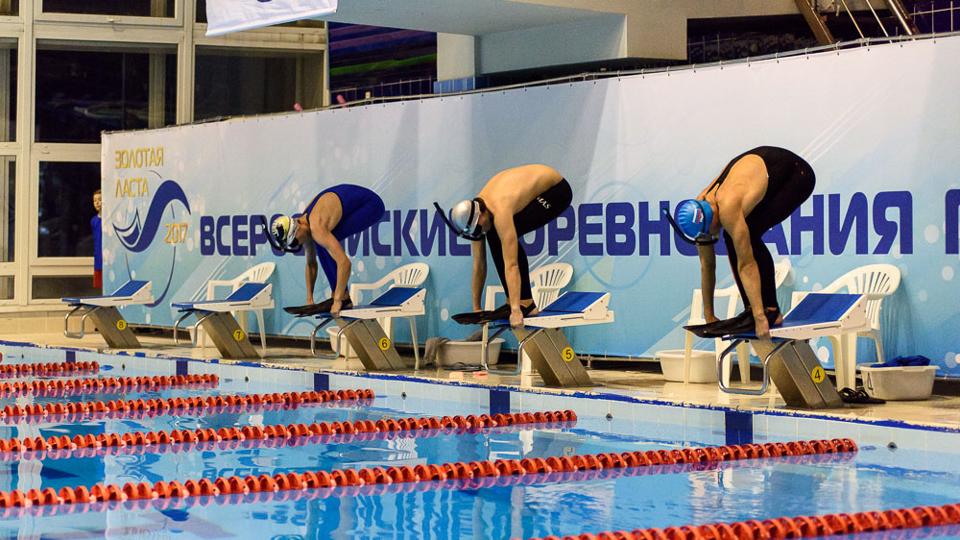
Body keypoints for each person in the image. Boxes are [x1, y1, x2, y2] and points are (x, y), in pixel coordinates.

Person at [669, 146, 815, 338]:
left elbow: (746, 265)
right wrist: (709, 315)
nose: (710, 236)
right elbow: (707, 265)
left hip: (796, 173)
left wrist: (759, 317)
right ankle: (756, 310)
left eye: (709, 232)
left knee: (747, 235)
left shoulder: (728, 208)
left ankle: (769, 311)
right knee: (736, 235)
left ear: (712, 218)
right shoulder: (700, 209)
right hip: (762, 168)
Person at [440, 164, 572, 328]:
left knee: (500, 234)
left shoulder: (501, 210)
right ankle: (517, 301)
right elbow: (479, 265)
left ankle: (526, 303)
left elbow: (512, 264)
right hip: (532, 191)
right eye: (477, 232)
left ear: (481, 215)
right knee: (492, 233)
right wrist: (477, 308)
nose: (481, 233)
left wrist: (515, 310)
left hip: (556, 191)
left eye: (480, 229)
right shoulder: (476, 216)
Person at [269, 184, 385, 315]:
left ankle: (342, 296)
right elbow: (311, 264)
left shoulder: (316, 226)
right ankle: (341, 294)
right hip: (355, 203)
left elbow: (344, 263)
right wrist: (309, 299)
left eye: (294, 242)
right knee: (321, 241)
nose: (297, 245)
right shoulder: (305, 225)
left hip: (372, 205)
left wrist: (337, 300)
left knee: (323, 242)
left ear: (297, 228)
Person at [91, 190, 102, 289]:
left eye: (100, 199)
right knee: (100, 287)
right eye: (95, 200)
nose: (97, 203)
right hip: (98, 258)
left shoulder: (108, 219)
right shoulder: (94, 221)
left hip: (108, 259)